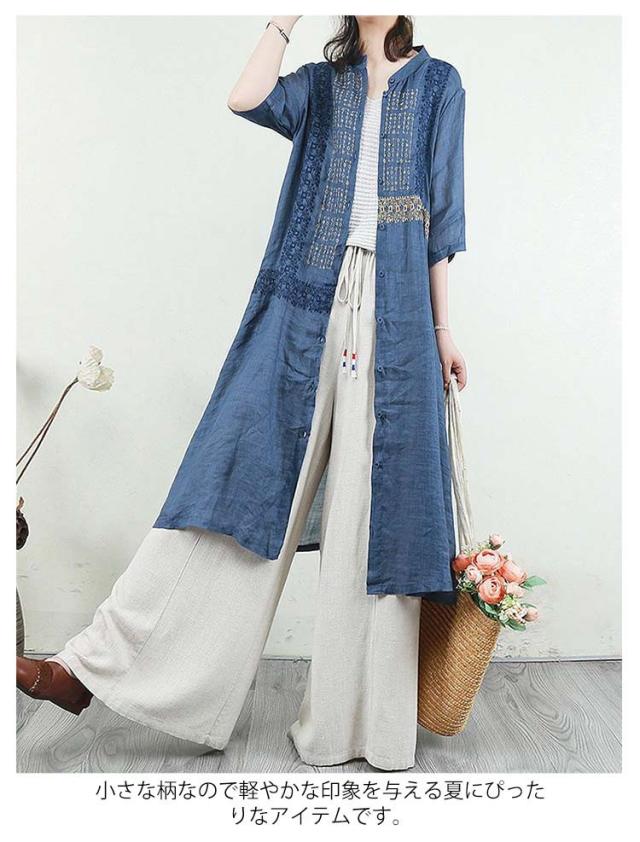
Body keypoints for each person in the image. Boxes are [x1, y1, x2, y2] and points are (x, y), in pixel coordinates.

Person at [17, 15, 467, 771]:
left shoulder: (440, 84)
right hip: (300, 306)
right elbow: (245, 97)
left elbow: (442, 218)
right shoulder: (322, 85)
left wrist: (443, 329)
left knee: (375, 521)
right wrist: (282, 17)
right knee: (232, 487)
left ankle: (358, 729)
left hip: (397, 317)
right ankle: (89, 669)